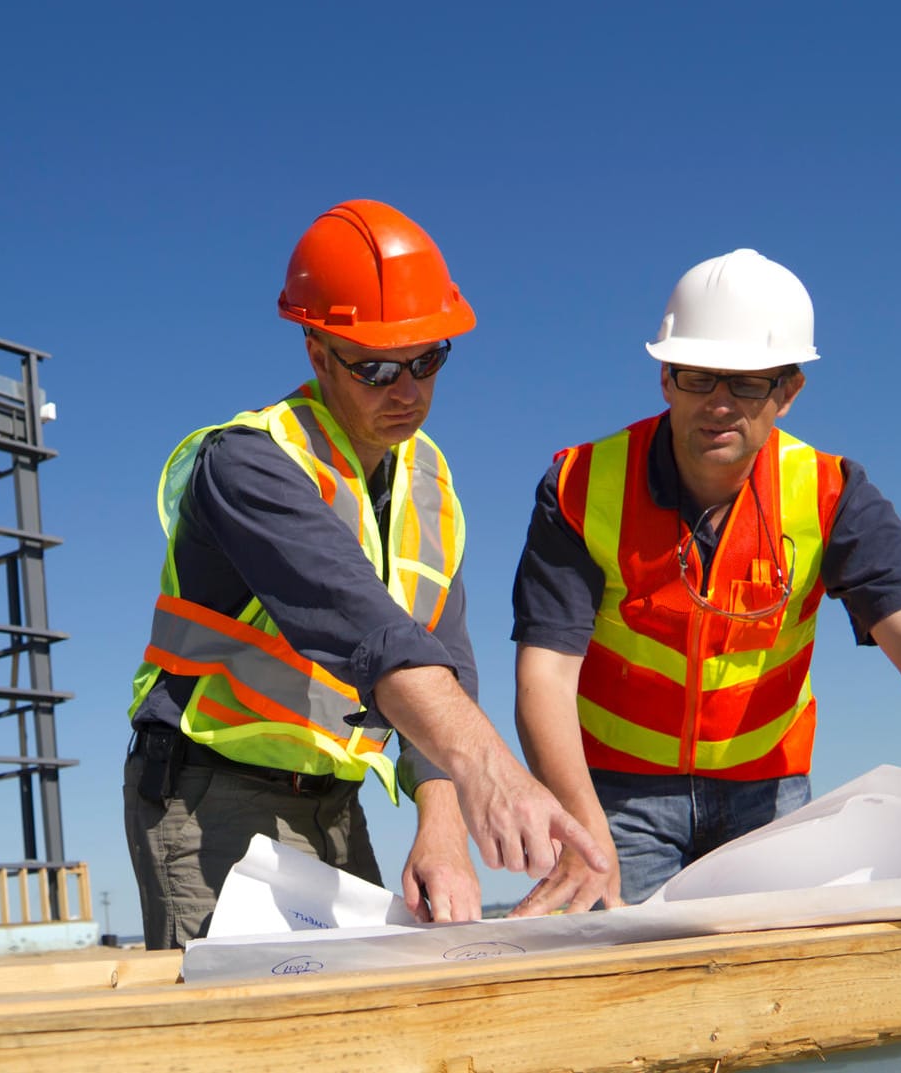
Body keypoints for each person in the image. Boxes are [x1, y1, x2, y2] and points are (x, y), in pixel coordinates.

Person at [508, 248, 901, 914]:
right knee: (611, 975)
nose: (718, 403)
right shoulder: (579, 486)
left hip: (765, 792)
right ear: (665, 377)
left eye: (745, 383)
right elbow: (545, 675)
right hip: (614, 794)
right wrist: (579, 823)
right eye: (698, 375)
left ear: (788, 391)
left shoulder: (832, 494)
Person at [123, 199, 604, 949]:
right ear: (317, 352)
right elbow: (374, 635)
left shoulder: (429, 482)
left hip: (334, 804)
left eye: (427, 359)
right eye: (376, 366)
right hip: (208, 792)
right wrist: (492, 770)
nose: (406, 389)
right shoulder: (250, 464)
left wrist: (441, 822)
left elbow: (443, 660)